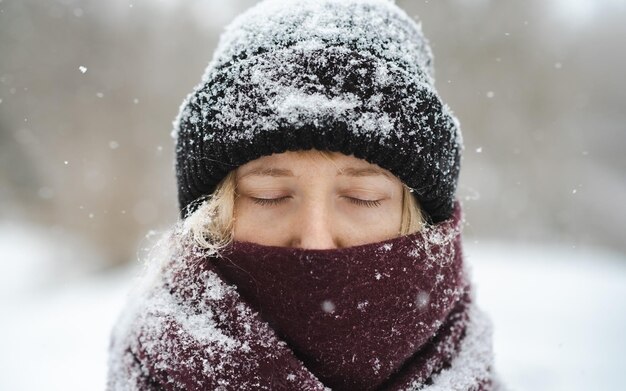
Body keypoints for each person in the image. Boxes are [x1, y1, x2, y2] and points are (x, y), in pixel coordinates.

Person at [107, 0, 499, 390]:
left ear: (419, 218)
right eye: (269, 195)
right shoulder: (153, 366)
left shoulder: (467, 362)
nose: (315, 242)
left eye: (362, 197)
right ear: (212, 213)